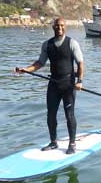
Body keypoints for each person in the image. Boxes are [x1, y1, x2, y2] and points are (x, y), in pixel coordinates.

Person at [16, 18, 84, 154]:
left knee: (69, 115)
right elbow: (39, 63)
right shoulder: (47, 45)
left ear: (65, 27)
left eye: (62, 26)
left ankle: (72, 143)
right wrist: (25, 70)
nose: (59, 28)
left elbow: (80, 63)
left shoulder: (72, 43)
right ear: (53, 27)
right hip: (53, 84)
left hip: (68, 85)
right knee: (50, 115)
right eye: (57, 26)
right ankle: (53, 142)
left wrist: (80, 81)